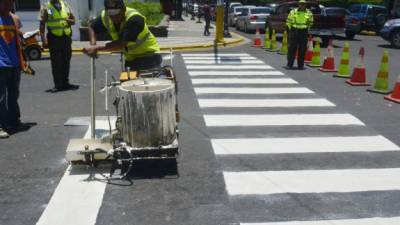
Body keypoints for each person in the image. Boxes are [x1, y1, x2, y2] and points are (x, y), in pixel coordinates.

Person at [83, 0, 161, 71]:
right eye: (110, 14)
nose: (113, 18)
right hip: (131, 58)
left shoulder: (134, 19)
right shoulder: (106, 16)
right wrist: (93, 45)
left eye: (116, 14)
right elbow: (92, 27)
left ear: (123, 9)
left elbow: (122, 44)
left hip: (149, 55)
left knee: (144, 84)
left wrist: (96, 48)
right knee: (128, 83)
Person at [40, 0, 78, 93]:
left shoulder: (65, 4)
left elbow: (74, 21)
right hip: (54, 38)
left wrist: (70, 21)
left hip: (66, 38)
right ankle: (58, 85)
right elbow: (42, 23)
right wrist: (43, 39)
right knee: (56, 62)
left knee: (66, 61)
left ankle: (65, 83)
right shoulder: (45, 7)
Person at [0, 0, 26, 138]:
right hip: (0, 65)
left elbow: (17, 41)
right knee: (0, 97)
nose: (8, 7)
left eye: (10, 4)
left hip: (14, 63)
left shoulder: (14, 19)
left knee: (13, 95)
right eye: (5, 3)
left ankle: (14, 121)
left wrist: (22, 62)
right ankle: (1, 125)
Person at [285, 0, 313, 70]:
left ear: (305, 5)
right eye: (301, 4)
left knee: (302, 49)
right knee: (291, 49)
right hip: (294, 31)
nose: (302, 5)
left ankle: (300, 65)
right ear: (298, 4)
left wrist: (307, 29)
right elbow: (288, 21)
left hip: (303, 32)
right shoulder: (293, 11)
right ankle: (289, 65)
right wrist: (290, 30)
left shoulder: (309, 12)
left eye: (303, 4)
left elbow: (311, 22)